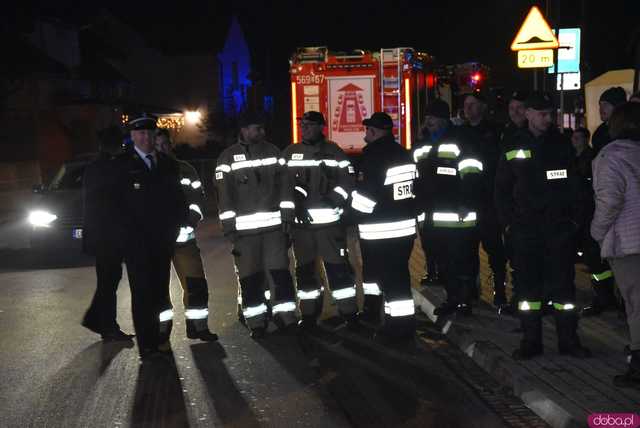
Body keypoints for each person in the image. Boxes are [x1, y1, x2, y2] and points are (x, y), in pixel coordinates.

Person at [495, 92, 591, 360]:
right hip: (525, 231)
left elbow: (575, 187)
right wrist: (509, 225)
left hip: (558, 229)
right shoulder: (512, 144)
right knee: (527, 291)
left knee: (564, 290)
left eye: (550, 113)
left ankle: (568, 340)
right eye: (541, 114)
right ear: (528, 114)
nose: (547, 119)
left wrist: (574, 223)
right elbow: (501, 190)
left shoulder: (561, 144)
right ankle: (531, 341)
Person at [215, 111, 298, 338]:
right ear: (243, 130)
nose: (261, 132)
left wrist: (287, 219)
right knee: (250, 278)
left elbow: (286, 188)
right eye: (256, 128)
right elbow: (225, 197)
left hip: (274, 230)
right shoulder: (227, 158)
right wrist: (229, 228)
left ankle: (286, 317)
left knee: (280, 273)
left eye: (262, 128)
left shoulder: (273, 152)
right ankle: (257, 322)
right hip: (244, 233)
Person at [113, 112, 188, 361]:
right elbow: (115, 207)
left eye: (149, 133)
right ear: (132, 136)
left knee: (159, 292)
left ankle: (161, 339)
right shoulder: (122, 165)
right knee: (143, 294)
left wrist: (177, 226)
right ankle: (147, 347)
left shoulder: (168, 164)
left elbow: (178, 199)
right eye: (140, 133)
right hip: (136, 245)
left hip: (162, 241)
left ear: (155, 134)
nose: (145, 138)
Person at [282, 111, 357, 329]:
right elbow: (282, 187)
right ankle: (309, 315)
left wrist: (334, 200)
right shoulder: (290, 152)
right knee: (305, 272)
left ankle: (349, 313)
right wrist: (292, 209)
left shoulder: (334, 152)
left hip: (329, 226)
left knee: (338, 271)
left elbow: (348, 182)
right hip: (301, 228)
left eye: (309, 125)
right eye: (302, 124)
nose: (304, 128)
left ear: (321, 127)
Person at [351, 112, 418, 342]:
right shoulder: (403, 154)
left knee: (392, 281)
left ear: (374, 132)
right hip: (405, 229)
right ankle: (400, 324)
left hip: (381, 230)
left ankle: (398, 329)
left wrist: (350, 216)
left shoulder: (374, 157)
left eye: (367, 130)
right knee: (398, 277)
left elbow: (366, 197)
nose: (365, 134)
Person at [414, 99, 484, 317]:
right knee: (441, 260)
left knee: (461, 259)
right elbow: (416, 175)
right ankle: (452, 298)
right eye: (427, 118)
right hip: (432, 215)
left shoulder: (459, 139)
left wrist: (466, 202)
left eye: (433, 118)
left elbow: (472, 171)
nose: (429, 122)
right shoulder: (423, 144)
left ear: (444, 119)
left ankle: (465, 301)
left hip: (457, 214)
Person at [591, 102, 640, 389]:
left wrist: (597, 232)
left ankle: (637, 362)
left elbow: (610, 201)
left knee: (635, 304)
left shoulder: (610, 157)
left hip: (629, 242)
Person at [155, 129, 218, 342]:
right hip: (158, 243)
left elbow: (198, 199)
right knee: (158, 291)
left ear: (170, 145)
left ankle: (198, 327)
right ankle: (161, 333)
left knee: (196, 285)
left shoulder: (186, 170)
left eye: (165, 144)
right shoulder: (146, 171)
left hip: (184, 240)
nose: (162, 149)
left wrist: (191, 218)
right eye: (157, 145)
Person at [81, 128, 134, 342]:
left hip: (103, 235)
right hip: (108, 236)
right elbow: (109, 202)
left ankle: (100, 322)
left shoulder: (96, 167)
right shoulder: (108, 168)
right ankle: (105, 325)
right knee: (108, 282)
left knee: (108, 281)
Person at [462, 91, 508, 310]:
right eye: (466, 105)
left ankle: (500, 290)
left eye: (472, 104)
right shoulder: (459, 133)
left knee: (495, 250)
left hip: (489, 202)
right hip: (467, 202)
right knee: (468, 250)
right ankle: (471, 291)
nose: (468, 108)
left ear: (482, 107)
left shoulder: (495, 131)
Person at [570, 127, 618, 317]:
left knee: (595, 259)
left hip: (589, 213)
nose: (574, 141)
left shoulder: (590, 158)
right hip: (577, 215)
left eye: (578, 137)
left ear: (585, 139)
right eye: (573, 137)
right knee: (591, 259)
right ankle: (603, 296)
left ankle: (604, 297)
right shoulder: (572, 158)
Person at [498, 90, 529, 315]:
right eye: (511, 109)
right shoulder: (506, 134)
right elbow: (502, 182)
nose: (515, 113)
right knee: (517, 260)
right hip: (515, 212)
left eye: (519, 108)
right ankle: (520, 300)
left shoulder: (535, 135)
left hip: (535, 210)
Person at [592, 87, 627, 155]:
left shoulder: (626, 130)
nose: (601, 108)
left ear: (617, 106)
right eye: (600, 104)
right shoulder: (599, 132)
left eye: (606, 104)